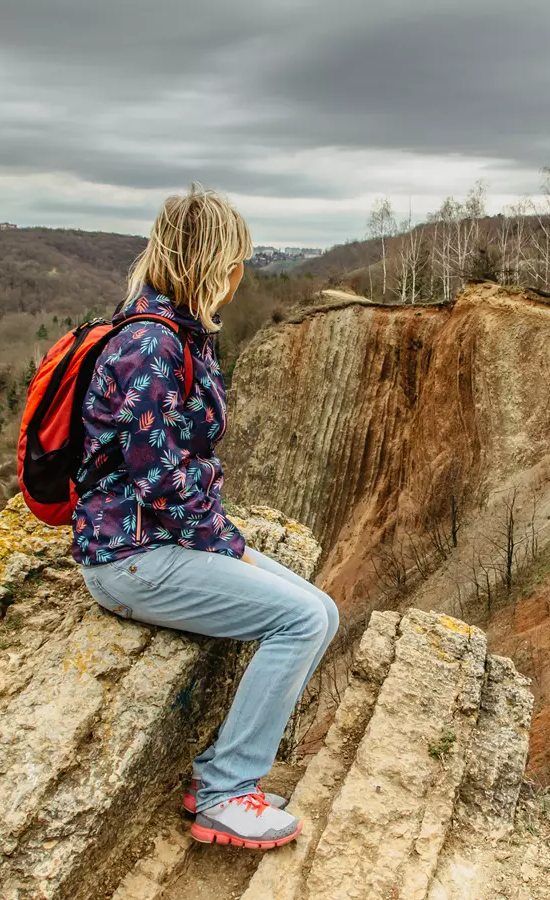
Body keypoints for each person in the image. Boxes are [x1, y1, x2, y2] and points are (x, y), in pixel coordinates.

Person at [73, 186, 338, 850]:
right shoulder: (150, 347)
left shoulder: (173, 331)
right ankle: (224, 792)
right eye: (235, 262)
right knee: (300, 618)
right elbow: (157, 473)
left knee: (322, 611)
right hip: (130, 559)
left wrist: (219, 537)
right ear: (218, 265)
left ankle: (221, 778)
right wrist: (225, 544)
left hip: (156, 541)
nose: (238, 276)